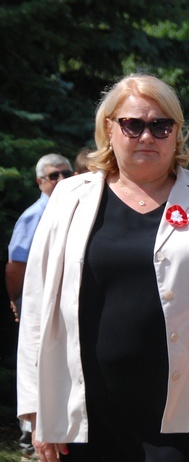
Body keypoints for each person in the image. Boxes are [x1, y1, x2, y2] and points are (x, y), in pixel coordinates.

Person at [16, 74, 189, 462]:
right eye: (133, 124)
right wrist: (34, 403)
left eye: (161, 125)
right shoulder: (69, 197)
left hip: (185, 410)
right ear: (109, 129)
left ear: (177, 133)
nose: (147, 136)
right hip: (85, 409)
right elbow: (35, 304)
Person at [7, 153, 72, 459]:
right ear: (39, 182)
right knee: (34, 365)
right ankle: (29, 440)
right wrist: (18, 300)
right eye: (53, 175)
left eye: (65, 173)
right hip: (37, 305)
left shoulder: (76, 207)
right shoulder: (35, 215)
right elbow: (16, 265)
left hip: (64, 309)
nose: (60, 180)